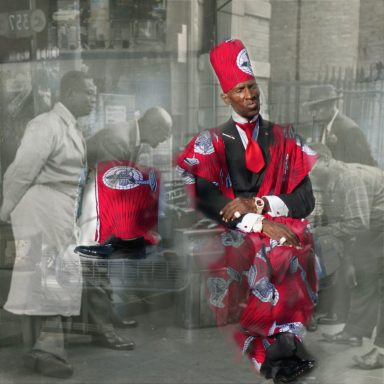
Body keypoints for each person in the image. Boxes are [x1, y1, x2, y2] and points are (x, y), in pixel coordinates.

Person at [177, 39, 318, 384]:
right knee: (266, 248)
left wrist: (262, 205)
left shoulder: (285, 138)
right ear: (226, 98)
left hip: (274, 224)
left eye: (253, 87)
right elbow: (207, 198)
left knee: (291, 241)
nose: (250, 95)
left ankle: (281, 344)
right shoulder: (212, 142)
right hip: (233, 230)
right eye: (241, 89)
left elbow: (306, 200)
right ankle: (274, 347)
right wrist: (255, 221)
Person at [0, 71, 132, 378]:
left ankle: (45, 349)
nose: (93, 97)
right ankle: (43, 352)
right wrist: (5, 211)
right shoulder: (45, 125)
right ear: (70, 94)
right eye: (87, 92)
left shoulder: (69, 126)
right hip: (39, 211)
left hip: (57, 212)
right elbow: (20, 172)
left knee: (55, 279)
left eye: (94, 92)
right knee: (41, 281)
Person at [309, 143, 384, 368]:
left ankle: (381, 352)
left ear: (325, 160)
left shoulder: (350, 179)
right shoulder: (330, 181)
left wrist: (320, 232)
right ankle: (354, 332)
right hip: (372, 227)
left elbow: (357, 223)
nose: (307, 174)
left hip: (375, 226)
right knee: (362, 278)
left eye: (309, 168)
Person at [304, 84, 376, 166]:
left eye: (316, 108)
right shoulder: (325, 124)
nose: (313, 114)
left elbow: (362, 168)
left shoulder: (351, 131)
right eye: (311, 109)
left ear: (330, 106)